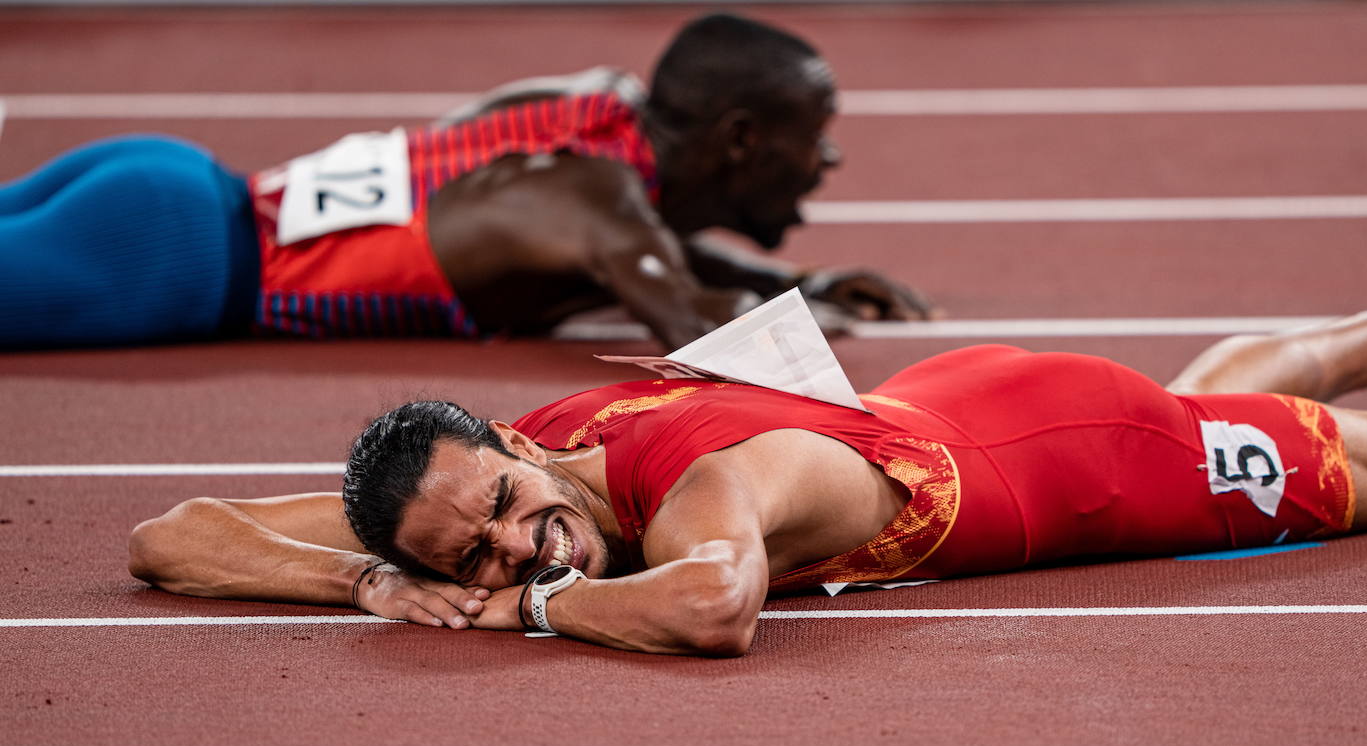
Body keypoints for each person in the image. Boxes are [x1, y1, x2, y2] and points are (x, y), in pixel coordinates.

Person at [129, 313, 1367, 656]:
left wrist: (536, 611)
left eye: (506, 511)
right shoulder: (516, 460)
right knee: (1224, 401)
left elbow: (716, 606)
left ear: (515, 447)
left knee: (1337, 467)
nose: (517, 547)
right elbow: (175, 534)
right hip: (963, 396)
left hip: (1093, 458)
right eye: (471, 560)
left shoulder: (694, 489)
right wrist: (365, 582)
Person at [0, 13, 927, 352]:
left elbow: (644, 247)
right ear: (737, 139)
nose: (829, 162)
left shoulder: (586, 133)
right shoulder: (598, 202)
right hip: (173, 260)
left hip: (171, 187)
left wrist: (791, 284)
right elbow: (688, 325)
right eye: (817, 140)